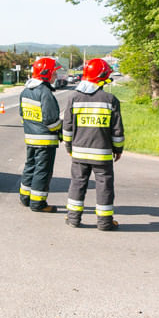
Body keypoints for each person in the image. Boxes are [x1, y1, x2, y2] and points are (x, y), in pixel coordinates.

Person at [61, 58, 124, 230]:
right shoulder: (111, 100)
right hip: (102, 154)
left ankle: (73, 219)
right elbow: (117, 130)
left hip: (79, 153)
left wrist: (68, 147)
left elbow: (67, 127)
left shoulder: (73, 98)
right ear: (102, 77)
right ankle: (104, 222)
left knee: (77, 184)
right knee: (104, 186)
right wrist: (118, 149)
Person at [18, 57, 62, 213]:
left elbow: (22, 115)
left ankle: (25, 197)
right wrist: (61, 130)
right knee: (43, 171)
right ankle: (38, 203)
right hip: (45, 140)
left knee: (30, 166)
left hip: (30, 138)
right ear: (46, 73)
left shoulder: (25, 91)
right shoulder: (45, 93)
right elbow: (51, 121)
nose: (56, 76)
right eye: (54, 73)